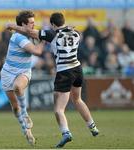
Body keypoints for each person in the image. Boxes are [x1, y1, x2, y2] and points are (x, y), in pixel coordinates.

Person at [6, 12, 99, 148]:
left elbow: (30, 31)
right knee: (78, 99)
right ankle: (93, 127)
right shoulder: (76, 33)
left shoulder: (52, 34)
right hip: (78, 69)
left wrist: (11, 26)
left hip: (64, 71)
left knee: (58, 109)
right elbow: (71, 31)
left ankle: (66, 133)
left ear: (53, 24)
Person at [1, 10, 45, 145]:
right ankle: (26, 131)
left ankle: (25, 114)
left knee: (18, 87)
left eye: (34, 22)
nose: (34, 25)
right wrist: (43, 41)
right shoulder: (18, 37)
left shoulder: (29, 33)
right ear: (23, 24)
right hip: (8, 73)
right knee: (15, 107)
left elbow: (37, 33)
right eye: (31, 23)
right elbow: (37, 51)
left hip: (23, 71)